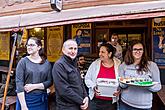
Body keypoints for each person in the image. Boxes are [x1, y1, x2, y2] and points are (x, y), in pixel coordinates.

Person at [119, 40, 161, 110]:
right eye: (135, 49)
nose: (138, 51)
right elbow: (121, 85)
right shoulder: (123, 65)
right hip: (125, 104)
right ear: (130, 51)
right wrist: (127, 82)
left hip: (144, 106)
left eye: (140, 49)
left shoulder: (152, 66)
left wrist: (147, 85)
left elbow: (158, 86)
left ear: (143, 51)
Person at [15, 37, 52, 110]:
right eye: (28, 45)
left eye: (32, 45)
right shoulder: (23, 62)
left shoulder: (46, 63)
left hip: (41, 100)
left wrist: (34, 86)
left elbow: (49, 82)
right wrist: (23, 106)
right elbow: (19, 85)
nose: (29, 47)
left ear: (39, 47)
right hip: (26, 99)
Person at [52, 39, 89, 110]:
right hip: (67, 106)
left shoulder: (74, 63)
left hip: (79, 105)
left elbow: (80, 83)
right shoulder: (59, 65)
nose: (73, 51)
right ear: (63, 50)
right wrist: (82, 101)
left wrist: (86, 97)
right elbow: (63, 90)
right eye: (70, 48)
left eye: (75, 49)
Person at [85, 43, 121, 110]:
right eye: (99, 52)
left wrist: (119, 90)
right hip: (95, 102)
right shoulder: (95, 64)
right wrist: (93, 87)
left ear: (110, 54)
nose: (99, 54)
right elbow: (87, 79)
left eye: (103, 52)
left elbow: (122, 80)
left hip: (111, 103)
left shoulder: (119, 65)